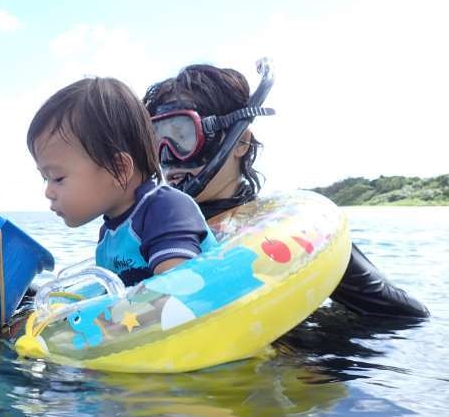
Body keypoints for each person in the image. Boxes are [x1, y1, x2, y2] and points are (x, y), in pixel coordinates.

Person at [143, 63, 429, 319]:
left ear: (241, 142)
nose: (168, 157)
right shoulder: (147, 229)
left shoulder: (285, 232)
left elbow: (409, 316)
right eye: (157, 141)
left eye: (183, 137)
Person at [26, 77, 217, 287]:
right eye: (46, 178)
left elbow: (180, 289)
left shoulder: (166, 210)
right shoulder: (109, 234)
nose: (48, 192)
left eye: (57, 178)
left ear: (119, 169)